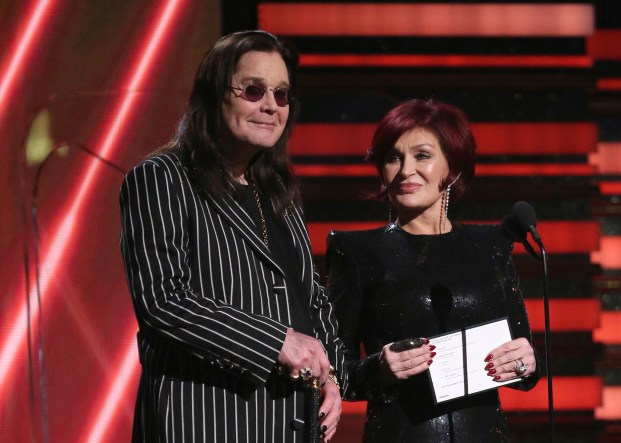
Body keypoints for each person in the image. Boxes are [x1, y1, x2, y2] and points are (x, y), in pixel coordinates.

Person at [119, 30, 343, 442]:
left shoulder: (279, 192)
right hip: (206, 421)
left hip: (291, 423)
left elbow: (312, 299)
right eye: (253, 90)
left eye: (281, 94)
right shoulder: (162, 178)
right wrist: (276, 342)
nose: (271, 105)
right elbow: (163, 301)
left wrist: (333, 378)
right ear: (213, 95)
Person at [326, 98, 540, 442]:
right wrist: (380, 369)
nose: (405, 169)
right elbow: (334, 373)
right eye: (393, 157)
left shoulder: (490, 246)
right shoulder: (356, 251)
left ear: (452, 167)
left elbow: (524, 359)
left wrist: (525, 362)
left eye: (422, 155)